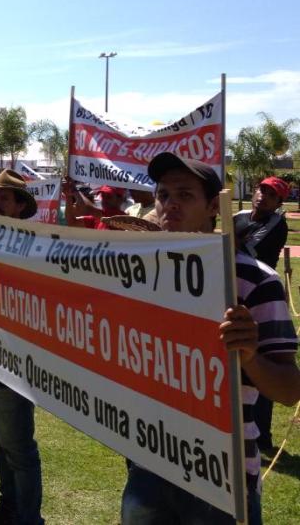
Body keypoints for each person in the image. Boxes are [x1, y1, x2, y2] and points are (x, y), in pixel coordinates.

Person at [119, 152, 300, 525]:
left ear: (213, 208)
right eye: (163, 195)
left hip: (222, 472)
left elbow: (289, 390)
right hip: (148, 461)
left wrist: (249, 355)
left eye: (185, 195)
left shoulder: (255, 281)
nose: (170, 204)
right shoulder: (136, 275)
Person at [0, 169, 44, 524]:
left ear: (19, 206)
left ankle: (29, 517)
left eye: (2, 198)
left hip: (15, 362)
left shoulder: (34, 246)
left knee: (18, 447)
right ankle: (10, 503)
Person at [233, 175, 290, 452]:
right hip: (236, 291)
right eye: (262, 190)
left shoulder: (276, 223)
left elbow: (245, 249)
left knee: (263, 361)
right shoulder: (241, 215)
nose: (263, 197)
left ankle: (262, 436)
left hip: (261, 296)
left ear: (279, 202)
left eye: (271, 195)